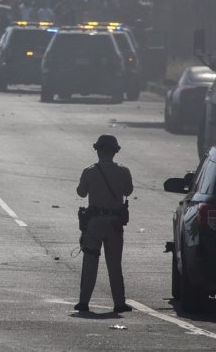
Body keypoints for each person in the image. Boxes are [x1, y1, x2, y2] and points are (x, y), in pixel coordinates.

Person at [75, 134, 134, 314]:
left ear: (98, 150)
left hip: (94, 223)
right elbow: (128, 191)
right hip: (114, 224)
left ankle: (84, 302)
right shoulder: (124, 171)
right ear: (115, 152)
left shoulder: (89, 171)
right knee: (114, 265)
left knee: (90, 263)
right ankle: (119, 303)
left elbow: (81, 193)